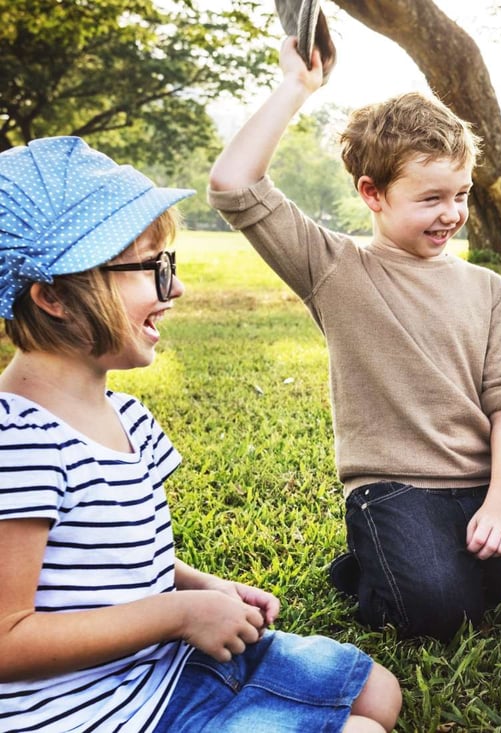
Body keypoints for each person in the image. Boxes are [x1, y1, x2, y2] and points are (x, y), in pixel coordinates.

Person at [0, 136, 401, 732]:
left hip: (165, 666)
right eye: (153, 269)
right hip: (96, 713)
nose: (176, 289)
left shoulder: (128, 417)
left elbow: (130, 563)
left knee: (379, 694)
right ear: (53, 296)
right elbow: (10, 641)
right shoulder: (20, 443)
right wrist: (178, 614)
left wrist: (209, 589)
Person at [207, 39, 501, 641]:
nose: (452, 213)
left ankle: (444, 557)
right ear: (372, 194)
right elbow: (233, 186)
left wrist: (500, 505)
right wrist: (297, 87)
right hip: (393, 489)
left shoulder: (487, 288)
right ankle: (369, 564)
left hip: (481, 483)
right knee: (438, 615)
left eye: (461, 194)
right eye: (431, 198)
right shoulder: (334, 268)